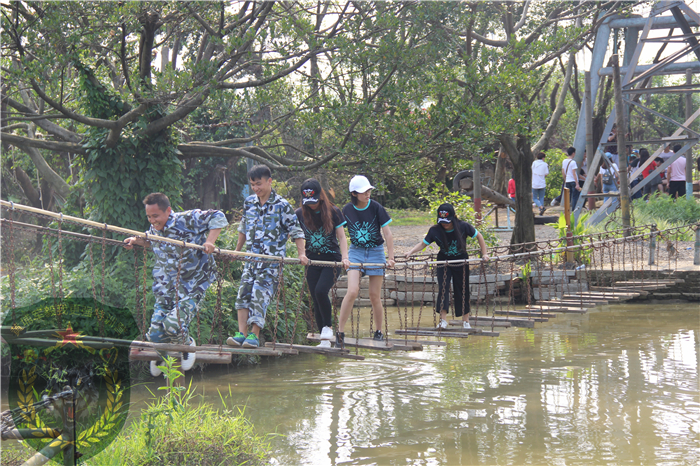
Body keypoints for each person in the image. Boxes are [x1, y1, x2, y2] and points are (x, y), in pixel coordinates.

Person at [124, 193, 228, 376]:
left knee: (173, 325)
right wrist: (136, 241)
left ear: (168, 211)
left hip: (192, 284)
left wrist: (210, 241)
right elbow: (150, 240)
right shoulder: (154, 227)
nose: (152, 220)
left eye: (155, 216)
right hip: (166, 288)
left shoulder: (187, 219)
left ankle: (187, 345)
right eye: (149, 217)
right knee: (154, 335)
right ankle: (163, 360)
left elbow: (218, 215)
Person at [227, 165, 308, 349]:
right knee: (243, 293)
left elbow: (296, 231)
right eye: (252, 185)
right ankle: (242, 334)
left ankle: (254, 335)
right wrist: (237, 251)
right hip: (251, 260)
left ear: (269, 181)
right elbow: (243, 228)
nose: (256, 188)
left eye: (259, 184)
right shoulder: (249, 203)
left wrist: (301, 254)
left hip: (271, 262)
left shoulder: (282, 205)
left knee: (259, 294)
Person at [404, 204, 489, 330]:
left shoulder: (463, 226)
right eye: (442, 222)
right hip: (443, 261)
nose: (445, 224)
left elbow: (479, 236)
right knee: (443, 288)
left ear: (454, 217)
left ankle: (466, 321)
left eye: (447, 222)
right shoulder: (435, 230)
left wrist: (485, 253)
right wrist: (410, 252)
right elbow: (423, 244)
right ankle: (443, 321)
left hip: (461, 261)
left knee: (462, 289)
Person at [336, 175, 395, 348]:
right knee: (352, 291)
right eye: (363, 192)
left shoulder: (376, 207)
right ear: (354, 193)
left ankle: (378, 331)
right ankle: (340, 332)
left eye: (369, 190)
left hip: (376, 252)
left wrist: (390, 258)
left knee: (374, 295)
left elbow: (388, 234)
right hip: (356, 252)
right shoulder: (346, 210)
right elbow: (339, 233)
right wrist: (344, 256)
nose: (367, 194)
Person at [295, 179, 350, 348]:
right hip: (312, 260)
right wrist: (302, 254)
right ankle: (324, 339)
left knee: (321, 291)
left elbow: (341, 237)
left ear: (320, 196)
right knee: (315, 297)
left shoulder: (333, 211)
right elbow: (298, 236)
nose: (311, 205)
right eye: (308, 202)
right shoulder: (299, 214)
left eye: (314, 201)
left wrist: (345, 257)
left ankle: (328, 327)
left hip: (332, 260)